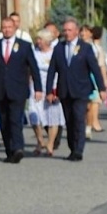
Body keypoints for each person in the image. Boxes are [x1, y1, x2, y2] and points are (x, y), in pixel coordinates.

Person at [0, 14, 42, 163]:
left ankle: (18, 148)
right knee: (4, 121)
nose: (6, 30)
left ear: (15, 28)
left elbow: (34, 67)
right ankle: (9, 150)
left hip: (17, 89)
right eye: (4, 27)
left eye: (9, 27)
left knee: (15, 119)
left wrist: (38, 88)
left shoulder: (24, 46)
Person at [46, 18, 107, 161]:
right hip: (65, 90)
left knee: (79, 118)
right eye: (65, 30)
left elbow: (95, 69)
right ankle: (72, 148)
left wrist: (101, 88)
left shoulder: (85, 48)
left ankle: (78, 150)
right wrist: (49, 90)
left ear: (77, 31)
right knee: (69, 120)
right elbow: (52, 70)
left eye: (70, 30)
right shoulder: (59, 48)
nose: (67, 33)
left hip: (81, 90)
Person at [27, 25, 64, 155]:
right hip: (36, 86)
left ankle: (50, 144)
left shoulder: (56, 51)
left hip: (52, 85)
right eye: (37, 39)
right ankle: (39, 140)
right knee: (33, 113)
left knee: (53, 115)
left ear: (47, 40)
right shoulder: (33, 52)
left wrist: (57, 90)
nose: (38, 42)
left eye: (41, 39)